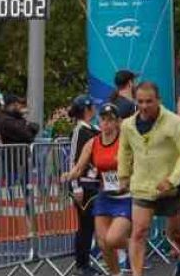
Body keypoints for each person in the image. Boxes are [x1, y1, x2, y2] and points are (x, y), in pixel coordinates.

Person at [118, 82, 180, 276]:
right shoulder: (127, 125)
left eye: (149, 101)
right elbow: (124, 150)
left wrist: (172, 180)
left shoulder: (177, 124)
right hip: (142, 185)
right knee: (139, 231)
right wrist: (124, 175)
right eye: (140, 101)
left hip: (169, 186)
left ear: (158, 100)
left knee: (175, 233)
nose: (144, 106)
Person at [63, 104, 132, 276]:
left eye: (110, 120)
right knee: (103, 243)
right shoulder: (93, 143)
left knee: (113, 239)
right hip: (105, 196)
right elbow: (79, 167)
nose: (106, 124)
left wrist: (129, 179)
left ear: (117, 122)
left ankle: (136, 243)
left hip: (125, 196)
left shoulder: (126, 142)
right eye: (103, 120)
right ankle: (116, 274)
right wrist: (69, 176)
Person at [67, 95, 100, 276]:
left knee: (92, 225)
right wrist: (75, 186)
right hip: (83, 184)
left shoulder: (93, 129)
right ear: (87, 109)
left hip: (94, 184)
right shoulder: (80, 130)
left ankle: (86, 262)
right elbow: (73, 159)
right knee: (85, 226)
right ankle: (82, 265)